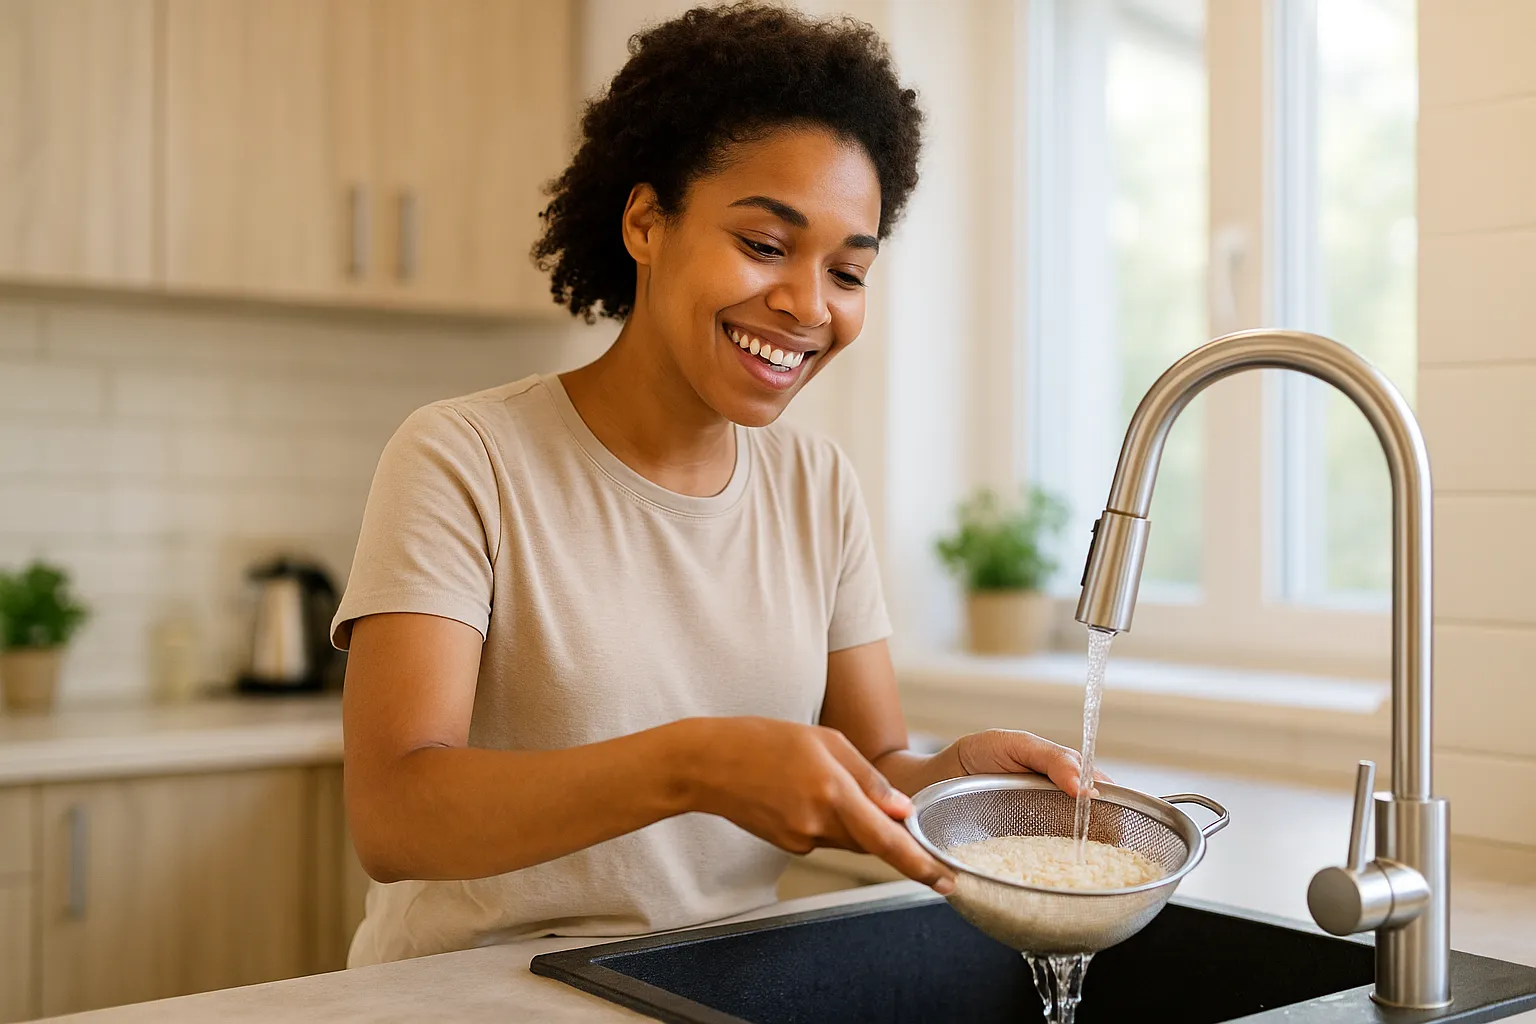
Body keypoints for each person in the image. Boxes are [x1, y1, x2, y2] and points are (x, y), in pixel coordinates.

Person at [334, 2, 1099, 967]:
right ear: (647, 223)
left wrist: (949, 779)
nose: (807, 305)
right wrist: (693, 765)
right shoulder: (465, 457)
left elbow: (871, 768)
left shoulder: (817, 486)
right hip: (468, 995)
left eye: (848, 271)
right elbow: (395, 815)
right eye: (765, 244)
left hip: (705, 983)